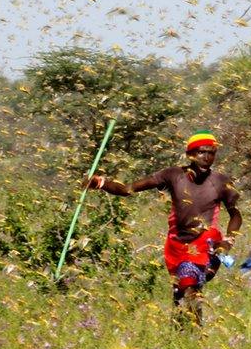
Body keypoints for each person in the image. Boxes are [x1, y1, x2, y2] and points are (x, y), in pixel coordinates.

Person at [86, 130, 241, 325]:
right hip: (176, 244)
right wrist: (100, 183)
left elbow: (235, 214)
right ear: (191, 154)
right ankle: (183, 337)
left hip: (204, 241)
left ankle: (194, 335)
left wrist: (228, 240)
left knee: (190, 285)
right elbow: (127, 189)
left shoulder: (220, 182)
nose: (207, 158)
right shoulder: (173, 175)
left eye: (211, 153)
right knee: (179, 294)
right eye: (202, 152)